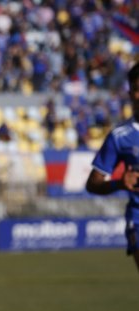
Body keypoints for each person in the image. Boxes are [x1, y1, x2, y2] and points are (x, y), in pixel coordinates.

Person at [85, 62, 139, 274]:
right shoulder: (120, 136)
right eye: (137, 89)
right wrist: (119, 183)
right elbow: (93, 183)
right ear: (130, 93)